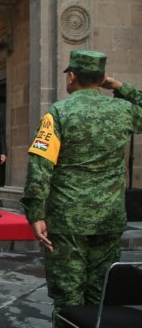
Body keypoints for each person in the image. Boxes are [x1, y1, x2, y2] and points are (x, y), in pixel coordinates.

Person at [20, 50, 142, 325]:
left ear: (72, 76)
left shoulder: (59, 113)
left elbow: (40, 167)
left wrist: (36, 214)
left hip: (67, 222)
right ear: (101, 79)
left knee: (68, 299)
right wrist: (122, 87)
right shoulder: (124, 110)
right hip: (108, 219)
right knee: (101, 296)